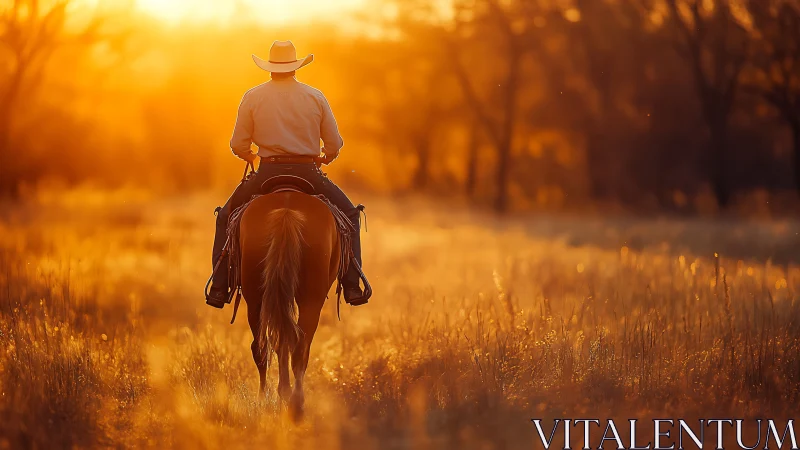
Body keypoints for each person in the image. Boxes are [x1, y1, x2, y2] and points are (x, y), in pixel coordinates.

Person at [205, 40, 366, 309]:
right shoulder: (315, 96)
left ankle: (220, 287)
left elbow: (237, 145)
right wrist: (326, 156)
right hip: (308, 173)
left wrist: (252, 156)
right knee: (350, 215)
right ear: (295, 67)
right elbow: (334, 144)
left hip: (267, 173)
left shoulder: (253, 96)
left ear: (269, 67)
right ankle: (352, 283)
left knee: (224, 216)